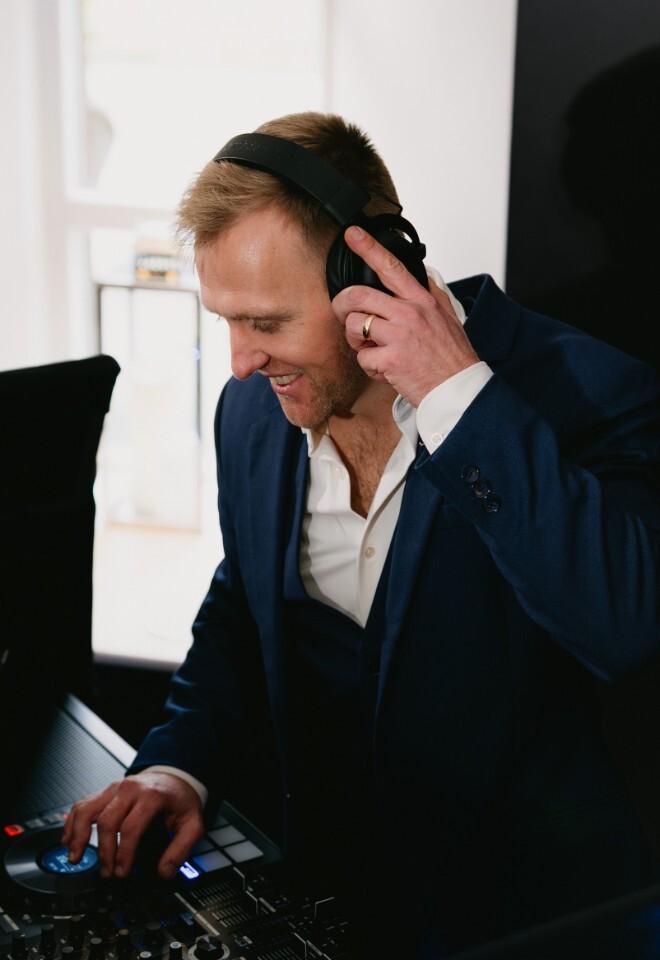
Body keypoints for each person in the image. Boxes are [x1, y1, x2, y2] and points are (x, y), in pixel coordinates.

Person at [63, 112, 660, 958]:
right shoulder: (252, 411)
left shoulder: (590, 391)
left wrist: (458, 399)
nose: (239, 361)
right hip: (335, 905)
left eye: (267, 323)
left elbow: (622, 623)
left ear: (376, 276)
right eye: (226, 320)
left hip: (532, 927)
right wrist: (178, 764)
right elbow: (245, 606)